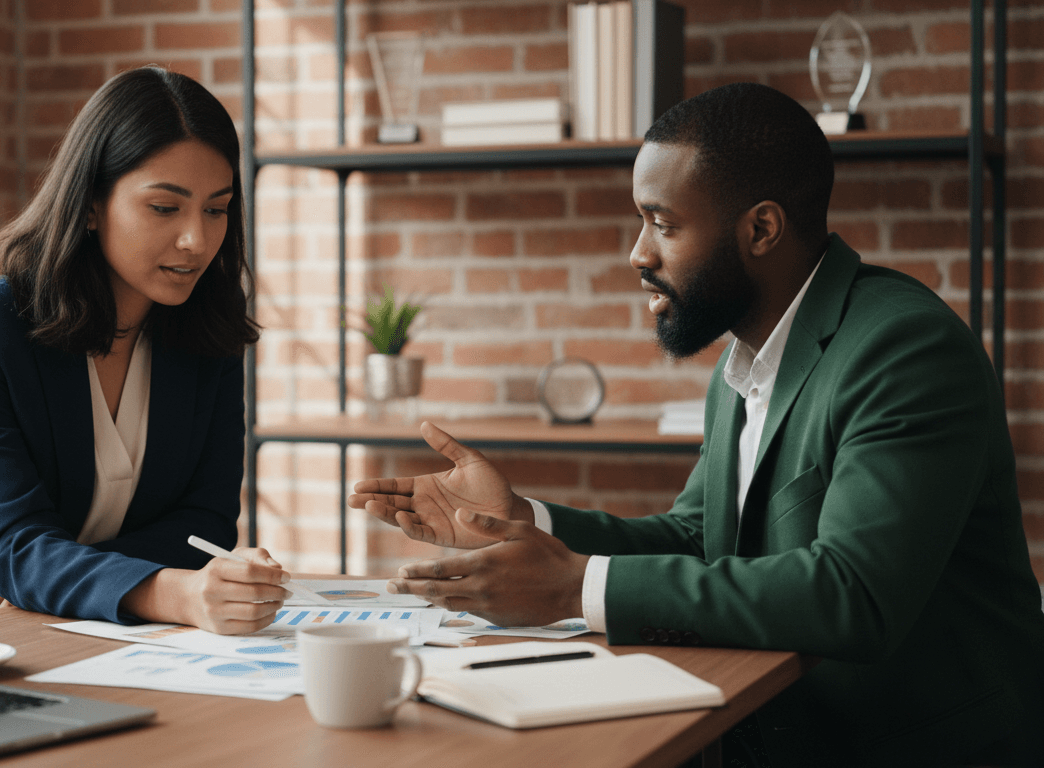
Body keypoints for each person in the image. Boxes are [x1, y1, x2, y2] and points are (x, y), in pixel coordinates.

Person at [351, 83, 1044, 767]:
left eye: (664, 223)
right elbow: (699, 536)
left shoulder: (904, 348)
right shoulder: (745, 362)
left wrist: (574, 585)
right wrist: (526, 522)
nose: (638, 253)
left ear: (761, 229)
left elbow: (851, 592)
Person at [0, 67, 289, 635]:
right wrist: (173, 591)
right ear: (91, 203)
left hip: (122, 632)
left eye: (216, 209)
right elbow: (14, 549)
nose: (197, 240)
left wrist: (60, 577)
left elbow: (206, 521)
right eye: (165, 208)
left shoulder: (209, 330)